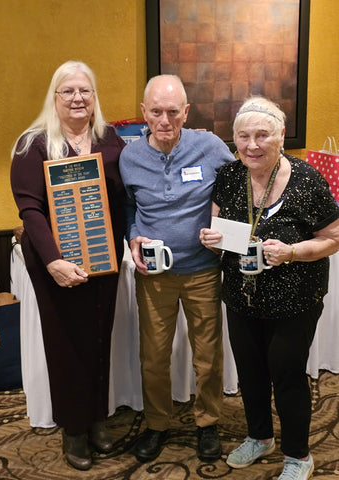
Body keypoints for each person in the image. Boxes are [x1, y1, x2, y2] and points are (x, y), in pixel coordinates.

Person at [200, 96, 339, 480]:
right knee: (250, 371)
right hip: (242, 295)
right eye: (243, 136)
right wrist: (212, 238)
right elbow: (218, 225)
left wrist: (292, 251)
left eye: (262, 135)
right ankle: (260, 437)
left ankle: (298, 456)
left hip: (296, 298)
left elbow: (334, 236)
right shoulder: (229, 176)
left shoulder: (307, 179)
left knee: (286, 372)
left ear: (280, 137)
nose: (252, 144)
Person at [10, 60, 126, 471]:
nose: (78, 98)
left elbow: (123, 201)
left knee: (99, 338)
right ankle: (73, 429)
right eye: (68, 91)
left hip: (102, 260)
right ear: (55, 97)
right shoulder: (33, 144)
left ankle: (96, 418)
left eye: (85, 91)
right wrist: (55, 261)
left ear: (95, 97)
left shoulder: (111, 140)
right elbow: (30, 211)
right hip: (54, 265)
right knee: (66, 344)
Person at [119, 74, 234, 463]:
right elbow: (130, 207)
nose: (164, 121)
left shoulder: (210, 146)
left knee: (208, 355)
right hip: (155, 275)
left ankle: (208, 424)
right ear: (143, 113)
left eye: (173, 112)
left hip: (203, 270)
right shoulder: (130, 156)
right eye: (156, 112)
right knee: (153, 356)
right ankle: (157, 424)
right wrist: (134, 236)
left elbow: (237, 187)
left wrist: (222, 222)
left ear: (186, 112)